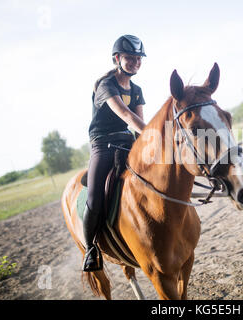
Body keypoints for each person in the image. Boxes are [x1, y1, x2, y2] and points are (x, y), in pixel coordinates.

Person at [83, 35, 147, 272]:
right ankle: (90, 249)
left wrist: (150, 143)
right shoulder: (106, 85)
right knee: (96, 196)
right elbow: (128, 117)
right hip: (103, 144)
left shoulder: (137, 89)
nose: (135, 63)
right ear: (117, 59)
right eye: (130, 58)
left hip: (127, 141)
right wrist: (153, 134)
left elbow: (140, 121)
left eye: (138, 59)